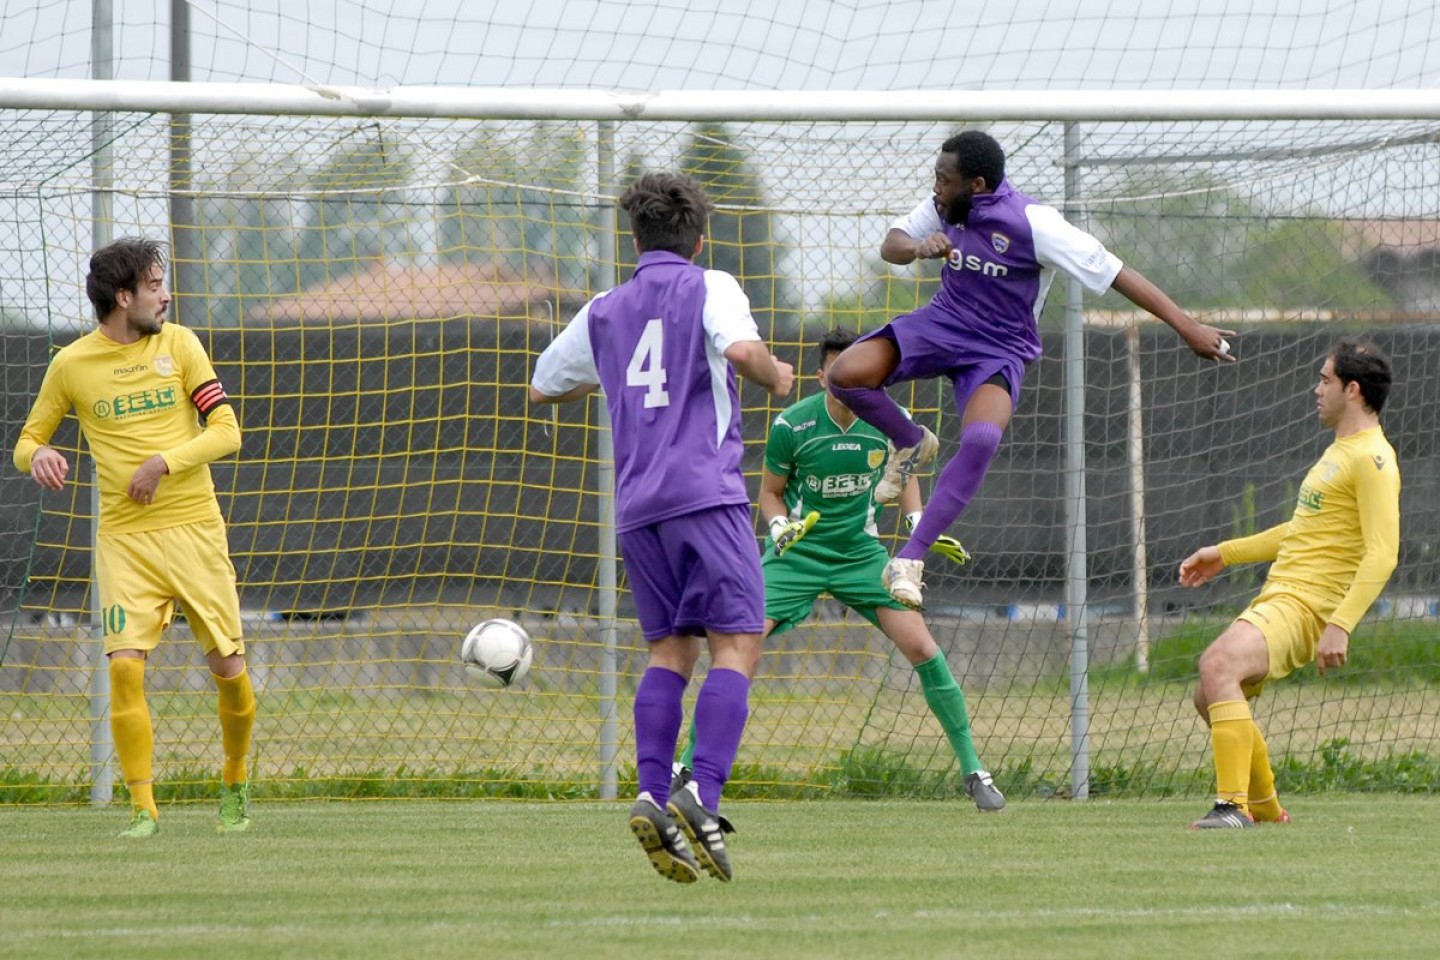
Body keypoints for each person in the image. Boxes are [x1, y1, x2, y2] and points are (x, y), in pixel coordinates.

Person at [825, 129, 1236, 609]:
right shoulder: (946, 205)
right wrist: (917, 248)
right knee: (846, 375)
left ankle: (910, 560)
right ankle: (913, 441)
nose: (936, 187)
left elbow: (1115, 271)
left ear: (975, 183)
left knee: (981, 439)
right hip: (942, 324)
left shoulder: (1035, 223)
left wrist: (1186, 326)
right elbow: (891, 244)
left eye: (943, 178)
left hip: (998, 350)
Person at [529, 172, 794, 883]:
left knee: (669, 654)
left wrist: (612, 377)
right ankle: (701, 793)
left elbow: (540, 384)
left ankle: (651, 791)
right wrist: (776, 375)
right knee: (739, 644)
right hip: (705, 496)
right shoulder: (713, 286)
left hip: (637, 508)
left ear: (634, 237)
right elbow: (741, 354)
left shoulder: (604, 309)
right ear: (699, 239)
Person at [672, 327, 1005, 812]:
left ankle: (975, 771)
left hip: (861, 556)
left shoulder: (893, 420)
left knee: (923, 646)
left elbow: (905, 473)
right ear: (823, 374)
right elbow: (770, 492)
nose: (848, 374)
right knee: (738, 650)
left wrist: (918, 529)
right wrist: (780, 523)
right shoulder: (793, 424)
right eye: (837, 367)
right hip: (798, 556)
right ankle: (688, 767)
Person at [12, 238, 254, 838]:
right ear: (124, 297)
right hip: (125, 540)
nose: (165, 295)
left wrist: (163, 463)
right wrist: (38, 453)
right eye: (153, 286)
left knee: (229, 668)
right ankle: (144, 810)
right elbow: (25, 442)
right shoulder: (71, 364)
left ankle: (235, 783)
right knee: (123, 667)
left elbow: (227, 432)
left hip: (194, 529)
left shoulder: (182, 345)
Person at [1178, 339, 1399, 829]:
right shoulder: (1339, 453)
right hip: (1282, 596)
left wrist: (1340, 624)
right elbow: (1300, 531)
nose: (1315, 389)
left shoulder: (1374, 459)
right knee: (1209, 694)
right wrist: (1225, 552)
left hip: (1307, 605)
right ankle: (1263, 808)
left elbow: (1384, 551)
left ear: (1353, 390)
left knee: (1217, 663)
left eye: (1325, 380)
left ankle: (1231, 807)